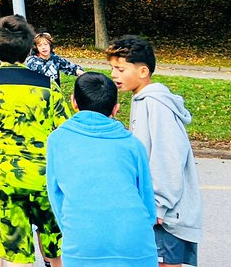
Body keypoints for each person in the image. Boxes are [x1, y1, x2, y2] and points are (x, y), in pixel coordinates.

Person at [0, 14, 70, 267]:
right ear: (28, 48)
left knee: (17, 256)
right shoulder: (48, 87)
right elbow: (66, 137)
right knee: (55, 252)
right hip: (46, 181)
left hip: (6, 181)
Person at [106, 35, 202, 267]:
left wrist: (158, 202)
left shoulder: (155, 104)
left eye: (120, 69)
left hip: (166, 212)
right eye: (112, 68)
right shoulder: (141, 100)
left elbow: (169, 156)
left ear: (143, 71)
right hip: (156, 207)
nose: (114, 75)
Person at [46, 72, 158, 267]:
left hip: (83, 242)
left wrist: (73, 230)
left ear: (73, 102)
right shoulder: (132, 144)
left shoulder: (57, 140)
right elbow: (147, 199)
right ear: (115, 109)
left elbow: (55, 196)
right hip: (136, 242)